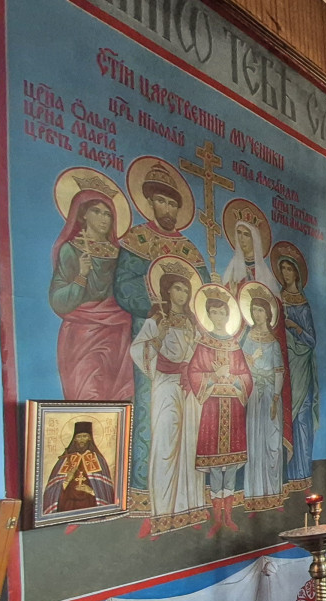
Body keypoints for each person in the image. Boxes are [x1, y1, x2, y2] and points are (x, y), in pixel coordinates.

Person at [113, 160, 210, 517]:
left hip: (190, 364)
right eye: (161, 201)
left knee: (191, 433)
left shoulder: (190, 251)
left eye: (172, 203)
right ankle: (147, 496)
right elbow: (124, 286)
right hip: (156, 355)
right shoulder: (137, 240)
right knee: (154, 426)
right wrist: (155, 308)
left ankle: (190, 500)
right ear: (150, 203)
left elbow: (205, 299)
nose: (167, 209)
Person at [129, 267, 205, 535]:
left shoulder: (194, 323)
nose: (182, 294)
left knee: (190, 445)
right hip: (165, 383)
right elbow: (138, 350)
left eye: (186, 289)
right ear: (167, 291)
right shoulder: (157, 319)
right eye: (177, 288)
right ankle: (161, 512)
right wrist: (159, 336)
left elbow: (200, 355)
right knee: (165, 443)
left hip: (189, 387)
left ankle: (191, 508)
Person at [49, 180, 133, 401]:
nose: (104, 219)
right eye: (96, 212)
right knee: (87, 394)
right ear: (83, 214)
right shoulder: (70, 250)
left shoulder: (121, 256)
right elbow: (58, 300)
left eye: (108, 214)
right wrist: (81, 276)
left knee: (120, 400)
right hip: (83, 333)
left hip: (119, 333)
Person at [185, 291, 252, 535]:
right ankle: (217, 519)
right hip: (212, 409)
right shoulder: (204, 344)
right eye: (213, 312)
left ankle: (229, 517)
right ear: (208, 315)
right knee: (215, 466)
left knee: (231, 465)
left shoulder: (235, 346)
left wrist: (233, 378)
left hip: (233, 410)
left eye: (222, 312)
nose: (218, 316)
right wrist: (214, 376)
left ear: (228, 315)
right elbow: (193, 372)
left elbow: (247, 376)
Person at [240, 289, 291, 509]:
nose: (257, 314)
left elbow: (279, 371)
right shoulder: (247, 338)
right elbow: (239, 366)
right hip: (254, 393)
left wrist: (276, 398)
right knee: (254, 441)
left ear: (268, 314)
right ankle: (254, 494)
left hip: (270, 394)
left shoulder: (274, 342)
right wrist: (251, 359)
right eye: (254, 310)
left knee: (272, 441)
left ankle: (273, 492)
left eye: (260, 310)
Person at [275, 251, 318, 489]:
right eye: (282, 269)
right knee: (286, 415)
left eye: (289, 269)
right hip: (285, 362)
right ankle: (289, 473)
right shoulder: (278, 300)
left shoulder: (303, 303)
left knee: (302, 416)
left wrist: (294, 327)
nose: (286, 273)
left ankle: (303, 472)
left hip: (302, 364)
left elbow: (312, 340)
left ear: (297, 273)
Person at [42, 421, 118, 514]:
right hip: (67, 504)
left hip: (90, 505)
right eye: (79, 437)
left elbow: (104, 489)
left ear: (90, 438)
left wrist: (91, 491)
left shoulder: (98, 459)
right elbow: (53, 490)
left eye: (84, 436)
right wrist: (66, 480)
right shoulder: (65, 459)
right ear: (74, 439)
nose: (81, 439)